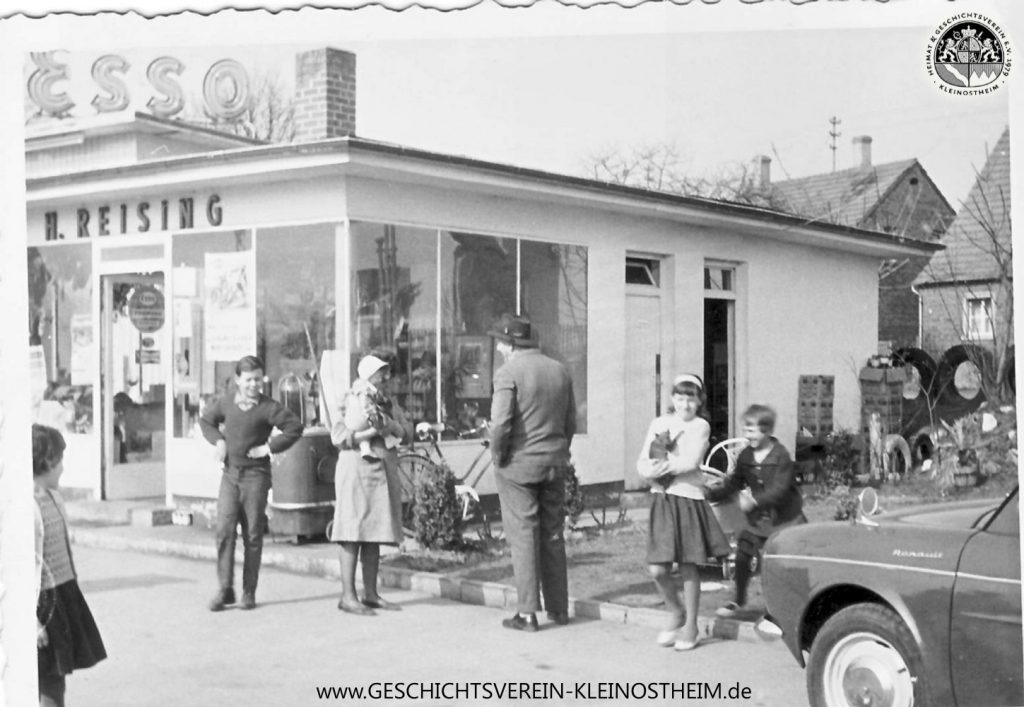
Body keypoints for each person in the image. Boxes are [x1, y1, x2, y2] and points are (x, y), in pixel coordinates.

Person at [488, 314, 576, 632]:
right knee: (552, 534)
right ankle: (558, 608)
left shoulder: (508, 372)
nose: (498, 347)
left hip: (519, 465)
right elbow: (570, 423)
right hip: (555, 462)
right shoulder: (559, 369)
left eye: (500, 341)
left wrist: (498, 457)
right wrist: (558, 451)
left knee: (523, 536)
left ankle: (526, 613)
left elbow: (500, 424)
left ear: (511, 343)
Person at [199, 355, 303, 611]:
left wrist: (268, 448)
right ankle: (225, 589)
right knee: (224, 531)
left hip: (256, 477)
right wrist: (219, 441)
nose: (253, 385)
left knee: (252, 534)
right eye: (248, 380)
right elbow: (206, 421)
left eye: (257, 379)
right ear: (238, 380)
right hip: (230, 475)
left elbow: (294, 427)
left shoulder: (268, 407)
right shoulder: (226, 403)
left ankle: (249, 591)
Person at [636, 374, 731, 651]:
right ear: (671, 399)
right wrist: (645, 470)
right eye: (679, 398)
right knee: (657, 568)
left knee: (689, 564)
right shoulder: (659, 423)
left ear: (699, 400)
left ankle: (691, 625)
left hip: (688, 498)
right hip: (663, 498)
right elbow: (645, 457)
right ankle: (674, 610)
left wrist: (661, 467)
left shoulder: (701, 425)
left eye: (691, 398)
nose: (685, 404)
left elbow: (691, 462)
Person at [329, 355, 412, 615]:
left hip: (380, 470)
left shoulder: (387, 402)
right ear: (367, 375)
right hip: (356, 469)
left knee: (373, 531)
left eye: (386, 373)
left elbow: (406, 431)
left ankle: (371, 593)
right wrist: (372, 432)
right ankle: (348, 596)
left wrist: (393, 425)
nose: (385, 378)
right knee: (352, 531)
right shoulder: (352, 398)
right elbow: (341, 435)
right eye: (380, 374)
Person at [707, 404, 806, 618]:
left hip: (786, 518)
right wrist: (710, 494)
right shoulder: (745, 457)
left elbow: (781, 490)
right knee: (743, 555)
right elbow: (733, 483)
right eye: (745, 429)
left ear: (767, 431)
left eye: (751, 430)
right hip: (759, 520)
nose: (746, 435)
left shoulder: (781, 456)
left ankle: (786, 608)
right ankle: (739, 600)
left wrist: (754, 502)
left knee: (784, 565)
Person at [34, 423, 106, 707]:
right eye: (60, 461)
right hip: (40, 604)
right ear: (46, 462)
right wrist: (32, 620)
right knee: (45, 679)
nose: (63, 468)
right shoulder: (25, 508)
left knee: (55, 677)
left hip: (61, 596)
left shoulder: (53, 497)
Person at [344, 355, 401, 462]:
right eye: (379, 373)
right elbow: (366, 406)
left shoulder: (364, 389)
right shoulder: (365, 390)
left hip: (360, 421)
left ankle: (366, 449)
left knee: (368, 436)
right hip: (363, 419)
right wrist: (373, 415)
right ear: (371, 375)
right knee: (382, 423)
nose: (383, 377)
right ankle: (389, 440)